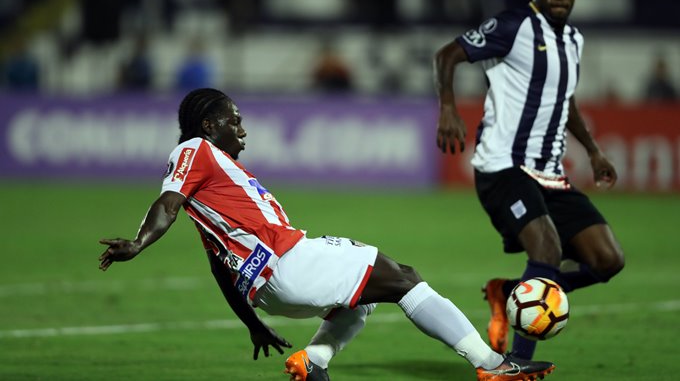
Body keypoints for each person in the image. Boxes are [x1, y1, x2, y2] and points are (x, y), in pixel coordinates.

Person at [99, 88, 556, 381]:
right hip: (287, 262)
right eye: (234, 120)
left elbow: (220, 268)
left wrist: (254, 323)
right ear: (208, 125)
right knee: (405, 278)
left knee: (361, 300)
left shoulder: (216, 192)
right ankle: (492, 364)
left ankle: (313, 361)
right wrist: (139, 242)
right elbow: (167, 203)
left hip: (265, 289)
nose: (242, 129)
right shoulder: (194, 150)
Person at [433, 0, 625, 361]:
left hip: (550, 174)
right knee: (547, 251)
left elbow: (564, 99)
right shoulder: (513, 25)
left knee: (607, 260)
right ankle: (517, 363)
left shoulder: (574, 41)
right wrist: (448, 108)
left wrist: (593, 151)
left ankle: (511, 294)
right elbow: (447, 54)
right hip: (503, 167)